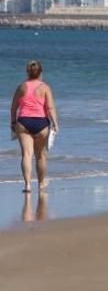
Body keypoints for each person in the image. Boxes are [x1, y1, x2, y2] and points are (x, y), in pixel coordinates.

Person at [9, 61, 59, 193]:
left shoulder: (21, 87)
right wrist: (55, 124)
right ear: (41, 73)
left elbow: (14, 108)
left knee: (26, 155)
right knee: (41, 156)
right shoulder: (45, 87)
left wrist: (13, 123)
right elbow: (50, 107)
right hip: (41, 123)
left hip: (23, 122)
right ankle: (41, 184)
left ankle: (27, 185)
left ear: (27, 72)